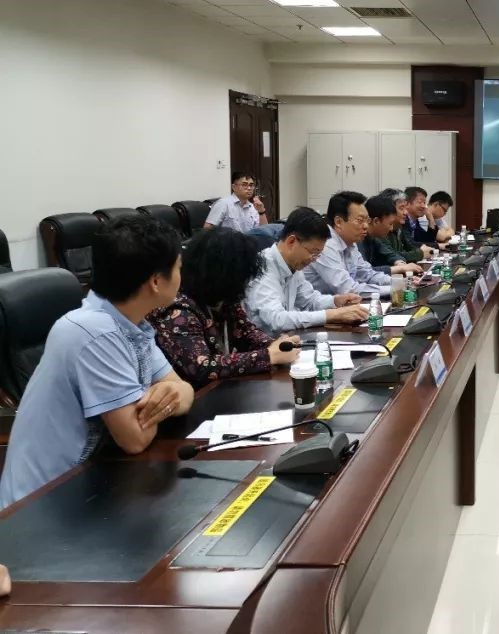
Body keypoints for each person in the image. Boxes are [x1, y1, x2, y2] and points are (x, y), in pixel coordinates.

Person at [0, 216, 195, 510]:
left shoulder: (130, 322)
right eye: (178, 267)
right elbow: (135, 439)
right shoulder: (95, 333)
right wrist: (166, 401)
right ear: (156, 281)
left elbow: (183, 390)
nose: (182, 275)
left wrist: (167, 397)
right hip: (42, 504)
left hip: (94, 480)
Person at [150, 229, 301, 389]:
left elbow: (246, 333)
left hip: (222, 389)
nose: (245, 283)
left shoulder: (224, 298)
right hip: (196, 396)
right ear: (224, 275)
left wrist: (278, 345)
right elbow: (201, 367)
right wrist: (268, 356)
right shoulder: (179, 310)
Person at [244, 207, 369, 335]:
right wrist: (331, 315)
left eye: (318, 254)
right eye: (313, 253)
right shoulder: (263, 267)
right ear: (291, 241)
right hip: (266, 343)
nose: (314, 260)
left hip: (288, 339)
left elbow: (309, 301)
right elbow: (277, 319)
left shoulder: (293, 265)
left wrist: (335, 301)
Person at [306, 191, 392, 299]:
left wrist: (399, 282)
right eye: (360, 220)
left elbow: (367, 274)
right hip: (317, 306)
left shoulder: (350, 242)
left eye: (367, 220)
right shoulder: (326, 244)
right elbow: (347, 289)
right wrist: (393, 289)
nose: (366, 226)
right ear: (339, 222)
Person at [361, 195, 424, 273]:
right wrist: (400, 268)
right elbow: (363, 273)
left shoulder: (373, 237)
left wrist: (400, 263)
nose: (391, 229)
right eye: (390, 224)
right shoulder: (358, 239)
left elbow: (390, 254)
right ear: (376, 221)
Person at [380, 189, 435, 263]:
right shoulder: (380, 230)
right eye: (401, 208)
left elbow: (410, 246)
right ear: (388, 209)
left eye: (405, 208)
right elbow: (391, 255)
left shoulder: (399, 226)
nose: (406, 212)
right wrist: (420, 253)